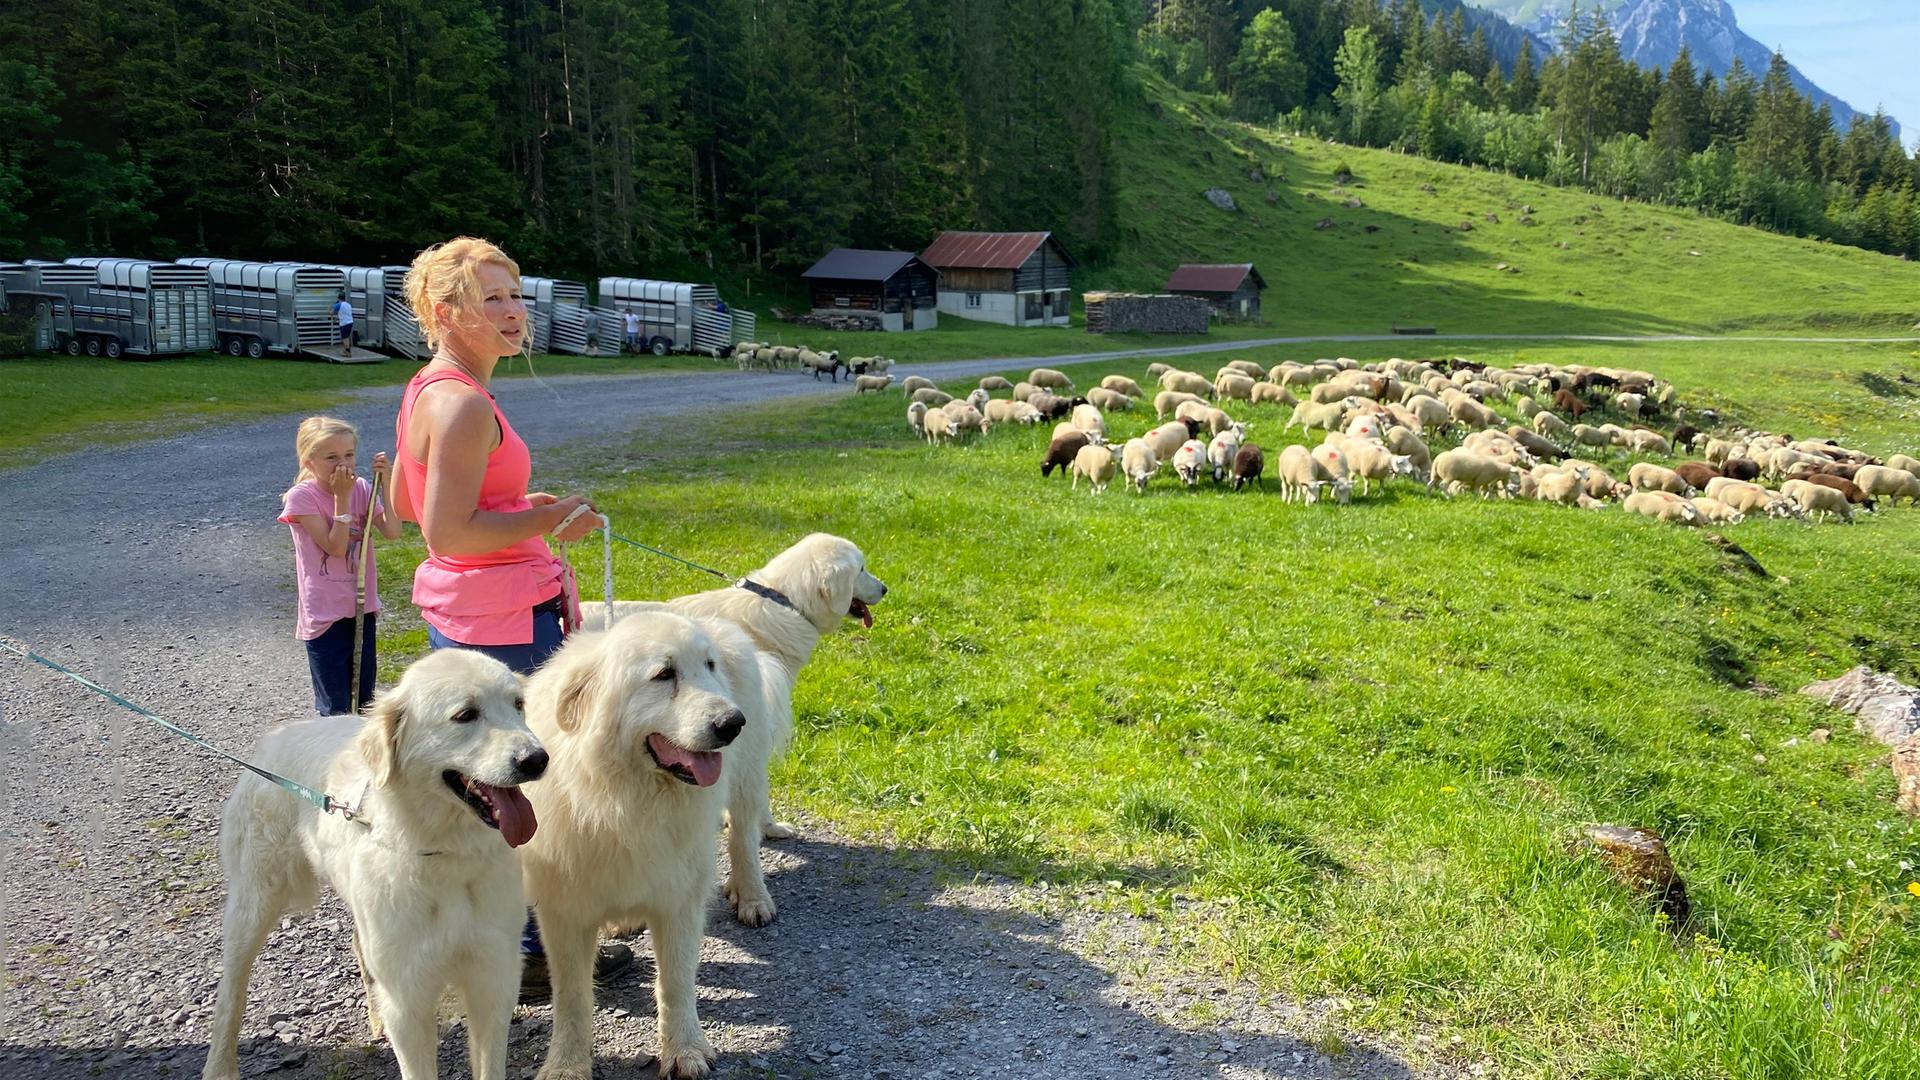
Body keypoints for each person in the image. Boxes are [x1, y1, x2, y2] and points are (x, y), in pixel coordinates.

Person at [388, 236, 631, 998]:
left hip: (467, 611)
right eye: (490, 298)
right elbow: (445, 530)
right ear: (442, 311)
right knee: (520, 777)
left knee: (477, 782)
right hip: (501, 621)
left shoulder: (431, 389)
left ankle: (491, 938)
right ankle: (527, 948)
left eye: (515, 295)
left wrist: (515, 509)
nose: (512, 312)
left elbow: (404, 504)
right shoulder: (461, 402)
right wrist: (548, 517)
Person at [279, 416, 401, 715]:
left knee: (364, 699)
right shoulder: (302, 498)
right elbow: (334, 547)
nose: (342, 463)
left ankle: (357, 758)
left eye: (348, 455)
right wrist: (342, 499)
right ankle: (330, 757)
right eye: (331, 457)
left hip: (361, 606)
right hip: (325, 612)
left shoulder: (360, 487)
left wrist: (385, 484)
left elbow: (393, 531)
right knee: (336, 705)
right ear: (309, 462)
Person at [331, 291, 354, 357]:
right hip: (350, 322)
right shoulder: (348, 304)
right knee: (347, 337)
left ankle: (348, 352)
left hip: (344, 323)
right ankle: (345, 351)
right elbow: (343, 313)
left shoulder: (338, 304)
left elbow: (332, 312)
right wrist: (337, 318)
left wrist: (329, 310)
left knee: (344, 338)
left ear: (338, 298)